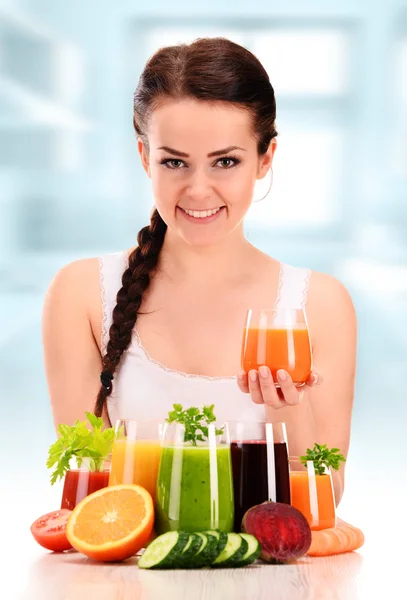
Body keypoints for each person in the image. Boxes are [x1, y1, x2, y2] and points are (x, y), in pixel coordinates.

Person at [42, 37, 357, 506]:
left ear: (265, 158)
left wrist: (282, 410)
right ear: (145, 157)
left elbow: (322, 501)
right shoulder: (83, 294)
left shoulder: (318, 304)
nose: (198, 190)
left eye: (225, 161)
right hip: (132, 577)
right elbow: (89, 497)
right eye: (174, 162)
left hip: (266, 576)